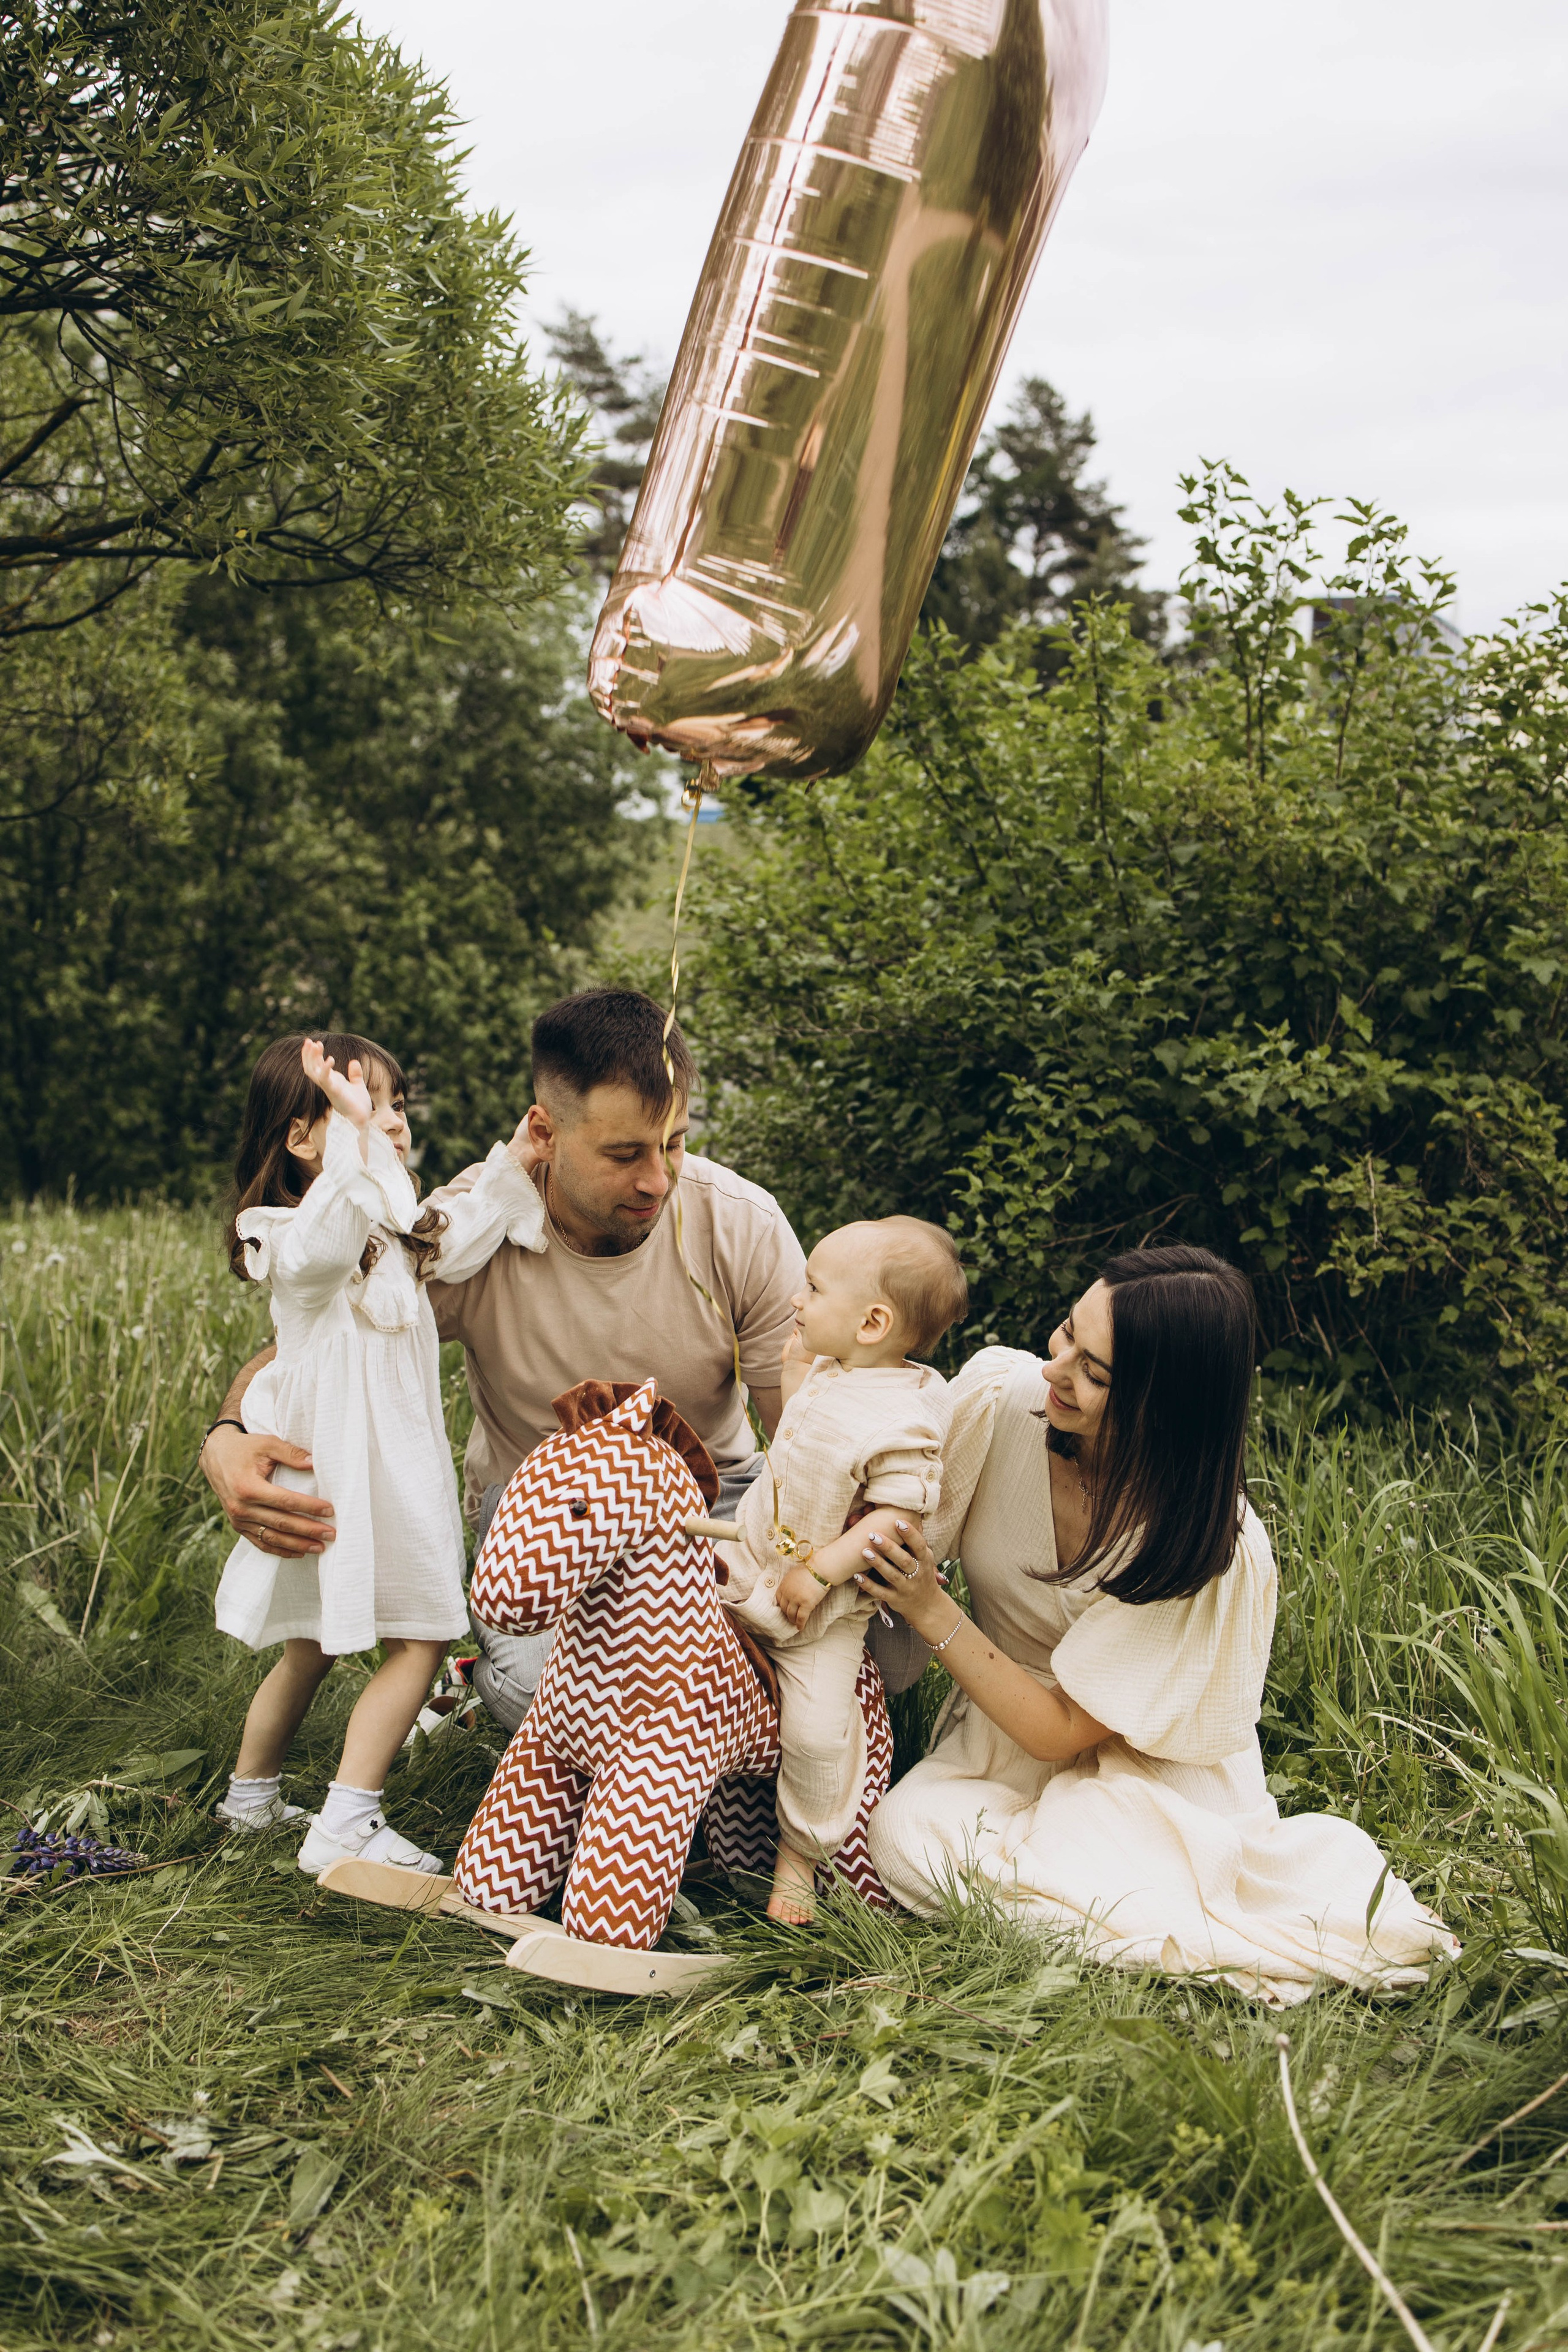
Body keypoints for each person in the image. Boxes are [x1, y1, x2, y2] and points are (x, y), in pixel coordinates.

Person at [856, 1245, 1457, 2005]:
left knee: (1121, 1860)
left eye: (1095, 1373)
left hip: (1144, 1768)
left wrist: (931, 1610)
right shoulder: (998, 1400)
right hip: (996, 1735)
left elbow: (1062, 1730)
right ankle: (1110, 1914)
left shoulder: (1206, 1543)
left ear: (1164, 1403)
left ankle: (1193, 1924)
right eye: (1066, 1334)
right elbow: (892, 1507)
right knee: (906, 1837)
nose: (1056, 1370)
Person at [199, 990, 806, 1732]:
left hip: (713, 1501)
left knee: (857, 1644)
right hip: (541, 1517)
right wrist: (225, 1438)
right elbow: (309, 1346)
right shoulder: (463, 1228)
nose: (657, 1179)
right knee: (542, 1692)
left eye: (673, 1143)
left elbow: (800, 1435)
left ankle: (704, 1731)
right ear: (545, 1132)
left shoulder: (739, 1222)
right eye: (624, 1154)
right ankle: (676, 1726)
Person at [213, 1033, 546, 1875]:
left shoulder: (393, 1239)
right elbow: (332, 1231)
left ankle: (250, 1802)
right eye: (367, 1110)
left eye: (395, 1107)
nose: (392, 1124)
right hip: (361, 1479)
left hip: (361, 1473)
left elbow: (461, 1226)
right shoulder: (299, 1245)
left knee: (315, 1646)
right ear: (303, 1139)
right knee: (425, 1637)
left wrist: (519, 1155)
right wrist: (357, 1143)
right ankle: (346, 1824)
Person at [717, 1218, 967, 1922]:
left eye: (813, 1288)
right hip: (749, 1564)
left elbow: (895, 1522)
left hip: (817, 1616)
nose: (797, 1299)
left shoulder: (903, 1418)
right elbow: (804, 1428)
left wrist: (822, 1572)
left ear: (873, 1322)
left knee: (818, 1733)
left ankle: (800, 1854)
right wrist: (797, 1366)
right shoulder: (838, 1369)